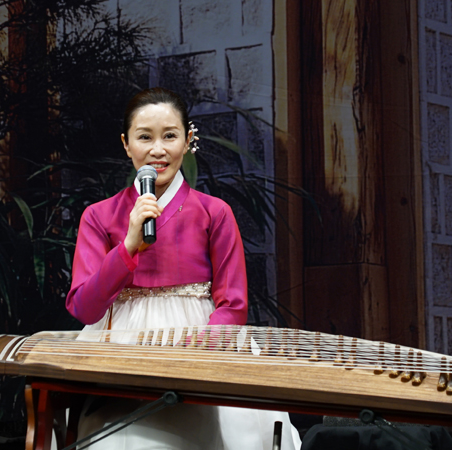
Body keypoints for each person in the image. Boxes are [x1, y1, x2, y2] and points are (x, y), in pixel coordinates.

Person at [66, 87, 301, 450]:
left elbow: (233, 304)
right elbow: (83, 307)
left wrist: (192, 358)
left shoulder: (214, 212)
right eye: (144, 137)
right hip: (122, 348)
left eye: (170, 136)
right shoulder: (98, 216)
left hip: (200, 343)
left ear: (188, 140)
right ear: (126, 144)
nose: (157, 150)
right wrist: (128, 245)